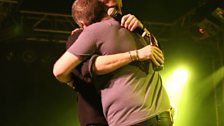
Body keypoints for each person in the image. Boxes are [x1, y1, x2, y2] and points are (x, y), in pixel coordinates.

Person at [53, 0, 173, 125]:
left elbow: (60, 70)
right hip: (163, 114)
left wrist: (73, 82)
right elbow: (160, 57)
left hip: (129, 118)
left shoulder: (94, 31)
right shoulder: (134, 27)